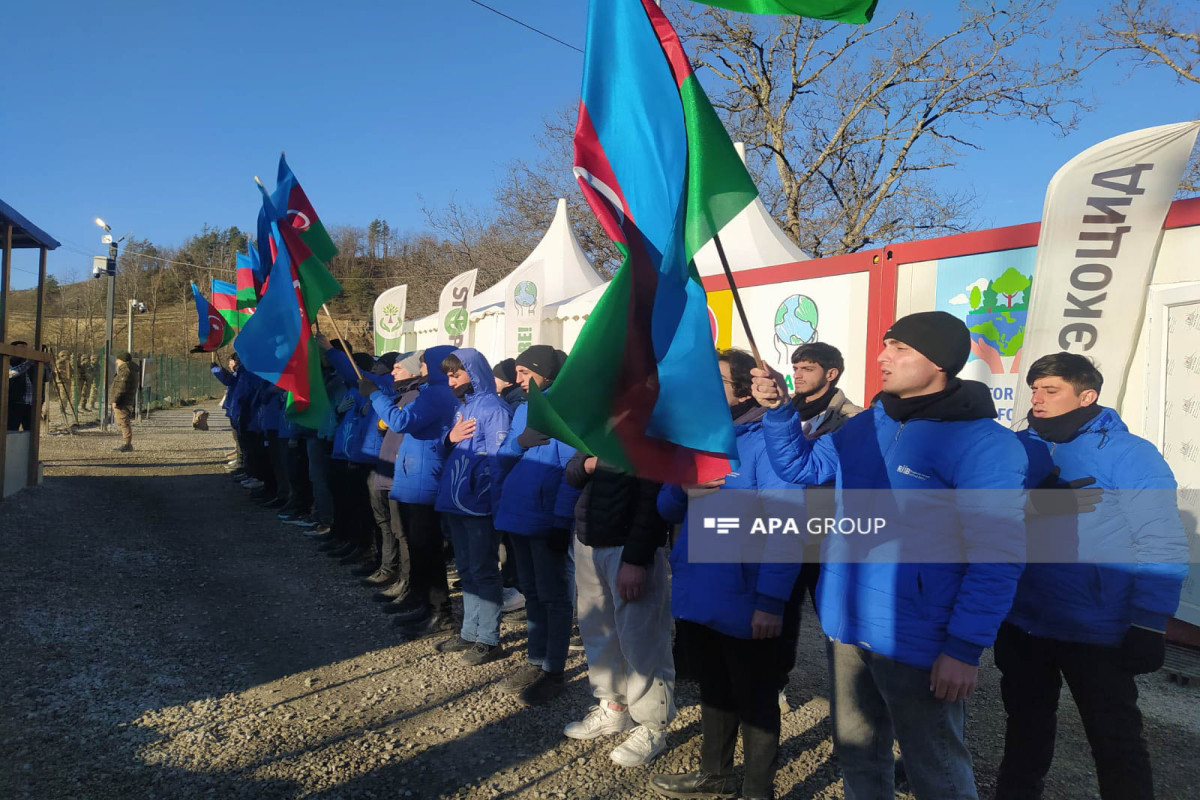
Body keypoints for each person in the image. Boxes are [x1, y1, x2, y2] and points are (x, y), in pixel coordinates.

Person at [750, 310, 1027, 800]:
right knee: (858, 753)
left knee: (934, 766)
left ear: (939, 362)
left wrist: (964, 649)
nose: (882, 357)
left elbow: (997, 556)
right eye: (884, 346)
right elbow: (800, 467)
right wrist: (777, 411)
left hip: (918, 637)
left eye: (899, 348)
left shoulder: (987, 445)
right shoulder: (869, 424)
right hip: (847, 622)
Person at [994, 352, 1189, 800]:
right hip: (1024, 620)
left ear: (1088, 395)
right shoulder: (1019, 445)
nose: (1037, 399)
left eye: (1052, 390)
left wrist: (1148, 623)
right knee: (1024, 731)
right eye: (1035, 389)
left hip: (1097, 628)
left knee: (1114, 740)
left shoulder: (1129, 454)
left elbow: (1160, 541)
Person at [650, 349, 801, 800]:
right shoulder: (698, 439)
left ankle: (758, 791)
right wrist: (683, 489)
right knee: (714, 690)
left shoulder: (767, 442)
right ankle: (714, 773)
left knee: (756, 700)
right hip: (701, 591)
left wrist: (772, 602)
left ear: (743, 387)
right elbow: (665, 507)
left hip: (748, 596)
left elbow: (787, 525)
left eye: (717, 379)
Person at [562, 450, 674, 767]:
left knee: (642, 640)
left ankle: (653, 726)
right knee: (598, 631)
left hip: (629, 547)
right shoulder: (599, 416)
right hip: (588, 539)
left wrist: (637, 559)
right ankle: (613, 707)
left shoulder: (652, 421)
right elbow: (571, 473)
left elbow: (655, 495)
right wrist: (588, 463)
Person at [492, 345, 580, 705]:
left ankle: (553, 670)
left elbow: (569, 473)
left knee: (553, 595)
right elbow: (502, 461)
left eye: (526, 373)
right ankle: (535, 658)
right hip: (516, 513)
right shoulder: (523, 410)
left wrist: (561, 520)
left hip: (545, 519)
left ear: (547, 375)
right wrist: (518, 442)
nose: (518, 380)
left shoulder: (565, 412)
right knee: (531, 592)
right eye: (517, 373)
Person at [778, 342, 862, 703]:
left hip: (827, 537)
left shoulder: (854, 420)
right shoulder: (778, 415)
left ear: (831, 374)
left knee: (837, 622)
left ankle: (853, 701)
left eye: (806, 368)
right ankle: (776, 683)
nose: (796, 374)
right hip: (782, 531)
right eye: (795, 367)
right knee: (780, 612)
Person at [368, 347, 460, 640]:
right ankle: (424, 605)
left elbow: (400, 422)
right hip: (415, 477)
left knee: (427, 550)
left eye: (423, 363)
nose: (420, 367)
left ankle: (439, 612)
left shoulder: (436, 393)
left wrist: (375, 395)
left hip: (423, 482)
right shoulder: (433, 391)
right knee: (421, 550)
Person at [433, 348, 513, 666]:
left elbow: (501, 460)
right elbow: (448, 450)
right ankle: (469, 631)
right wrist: (449, 439)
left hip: (479, 504)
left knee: (483, 570)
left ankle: (490, 639)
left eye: (457, 374)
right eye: (449, 376)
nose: (451, 380)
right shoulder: (462, 407)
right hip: (456, 501)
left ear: (473, 372)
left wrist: (494, 501)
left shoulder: (494, 408)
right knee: (466, 570)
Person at [110, 351, 140, 452]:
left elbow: (121, 387)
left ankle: (127, 444)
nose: (116, 361)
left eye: (118, 359)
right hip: (126, 400)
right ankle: (127, 443)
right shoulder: (130, 369)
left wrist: (115, 400)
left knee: (123, 421)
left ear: (121, 360)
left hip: (122, 401)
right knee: (123, 421)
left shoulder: (125, 371)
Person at [7, 341, 35, 431]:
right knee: (11, 430)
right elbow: (11, 373)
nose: (24, 351)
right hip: (14, 403)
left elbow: (45, 378)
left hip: (30, 404)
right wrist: (29, 363)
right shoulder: (7, 362)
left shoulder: (29, 364)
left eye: (26, 349)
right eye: (21, 349)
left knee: (29, 432)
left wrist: (45, 365)